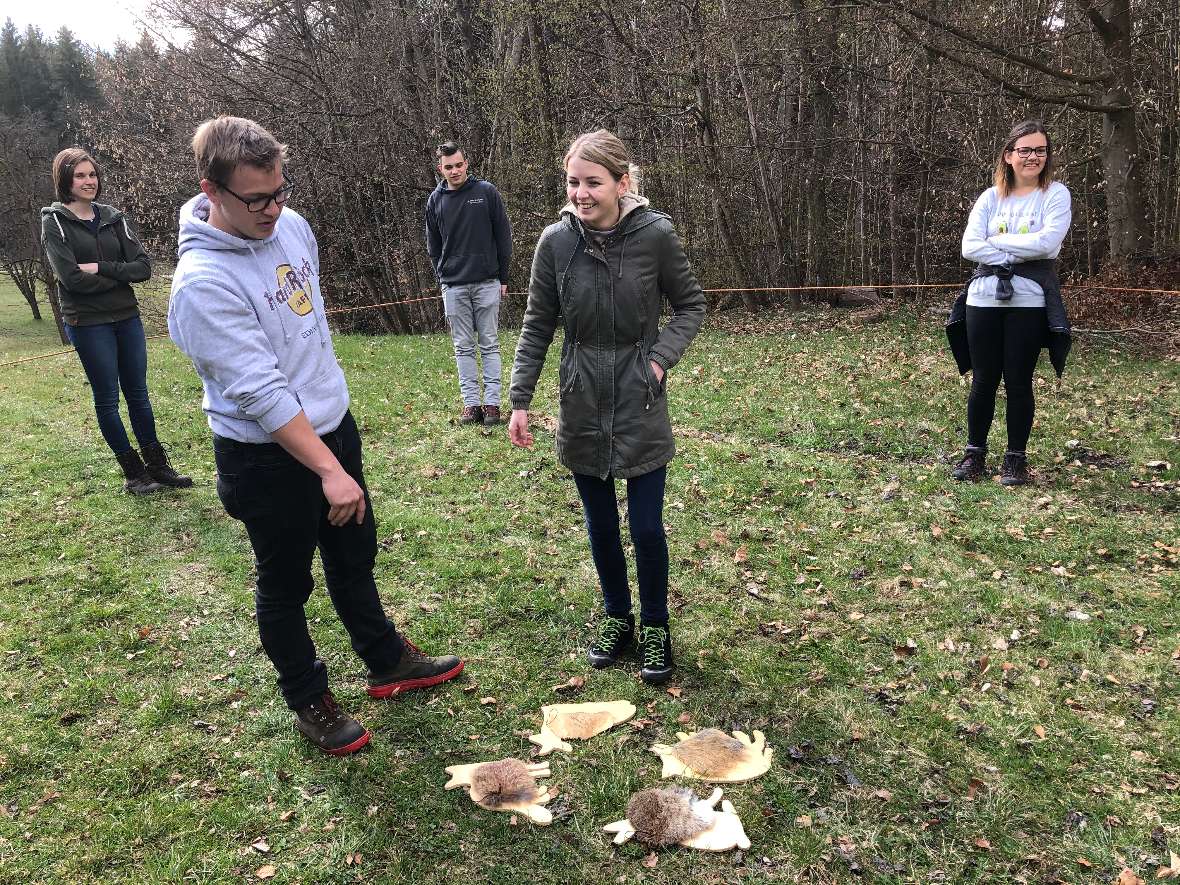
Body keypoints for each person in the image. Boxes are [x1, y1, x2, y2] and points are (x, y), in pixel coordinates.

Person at [168, 116, 464, 756]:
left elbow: (306, 330)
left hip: (331, 427)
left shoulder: (291, 226)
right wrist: (327, 469)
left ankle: (384, 658)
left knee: (355, 554)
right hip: (264, 457)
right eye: (258, 199)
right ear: (212, 191)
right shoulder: (201, 285)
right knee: (285, 583)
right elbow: (261, 390)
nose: (274, 208)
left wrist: (335, 442)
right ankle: (309, 699)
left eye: (280, 191)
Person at [508, 130, 706, 685]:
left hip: (639, 397)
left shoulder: (655, 236)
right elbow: (537, 323)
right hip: (581, 400)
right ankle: (617, 617)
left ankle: (655, 627)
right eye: (573, 182)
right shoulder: (555, 243)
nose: (580, 193)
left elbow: (691, 305)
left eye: (592, 183)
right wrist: (520, 399)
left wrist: (660, 360)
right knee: (599, 523)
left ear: (622, 183)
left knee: (644, 527)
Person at [40, 148, 191, 495]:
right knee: (107, 399)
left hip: (126, 318)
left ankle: (158, 466)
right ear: (65, 179)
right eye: (80, 175)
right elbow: (71, 280)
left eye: (91, 174)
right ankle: (134, 473)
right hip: (88, 322)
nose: (88, 181)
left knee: (138, 394)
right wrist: (119, 277)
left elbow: (143, 268)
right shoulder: (55, 222)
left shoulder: (113, 217)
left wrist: (103, 268)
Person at [946, 120, 1073, 486]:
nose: (1033, 156)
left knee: (1019, 381)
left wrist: (997, 247)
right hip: (982, 301)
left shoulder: (1055, 195)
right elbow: (969, 247)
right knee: (983, 380)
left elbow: (1048, 245)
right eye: (1025, 150)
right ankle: (975, 455)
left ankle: (1015, 460)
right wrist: (1021, 248)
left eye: (1040, 150)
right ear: (1009, 155)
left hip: (1030, 304)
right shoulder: (990, 197)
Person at [425, 141, 512, 426]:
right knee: (462, 346)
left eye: (459, 165)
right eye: (448, 167)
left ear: (466, 163)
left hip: (487, 281)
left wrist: (503, 277)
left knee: (489, 343)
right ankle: (471, 404)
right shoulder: (435, 201)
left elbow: (503, 237)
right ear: (440, 169)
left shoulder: (486, 192)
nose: (455, 171)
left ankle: (492, 404)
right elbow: (433, 245)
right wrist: (443, 278)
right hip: (454, 285)